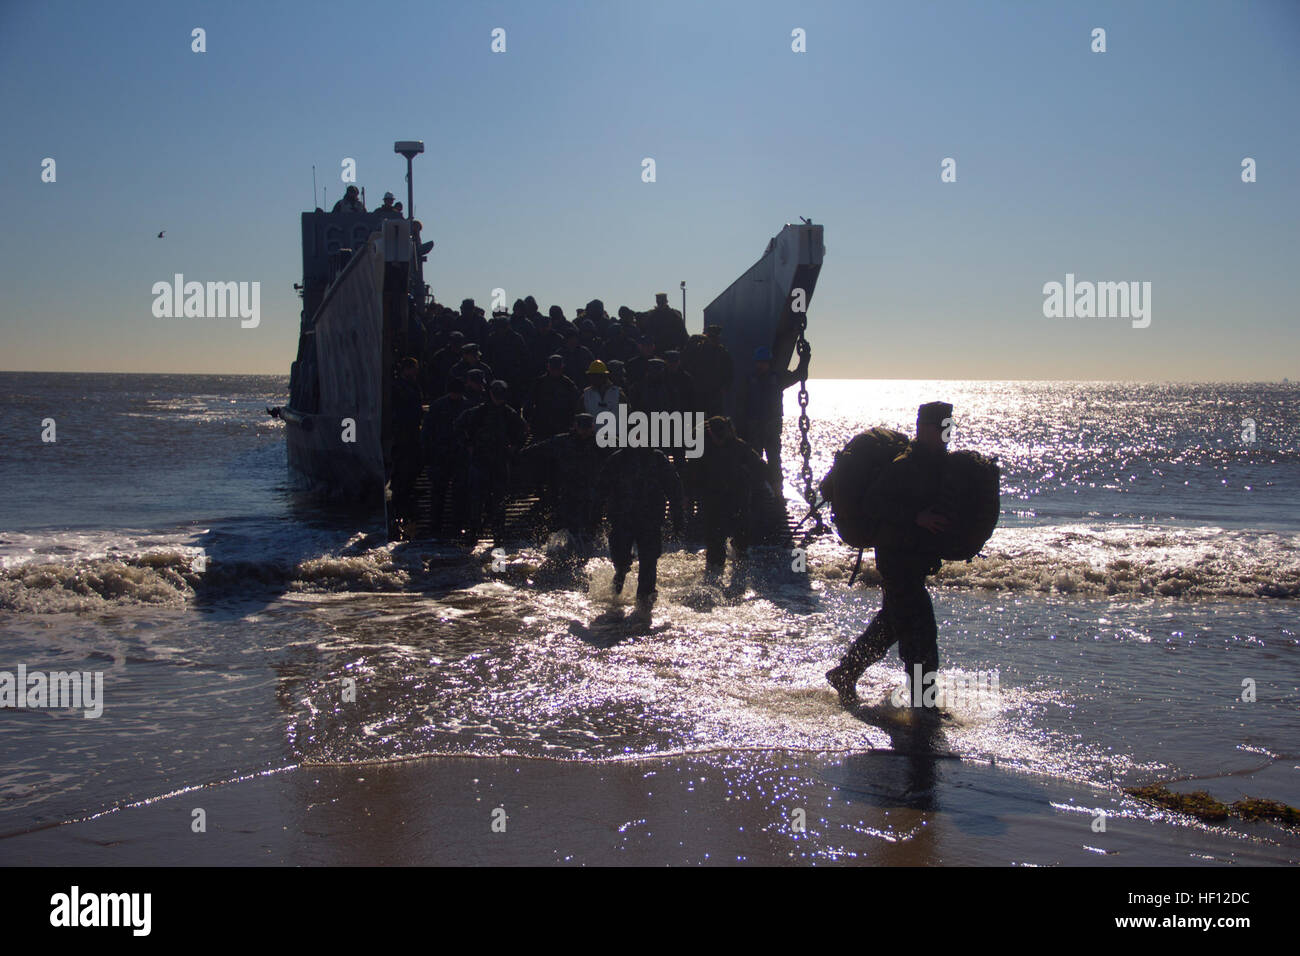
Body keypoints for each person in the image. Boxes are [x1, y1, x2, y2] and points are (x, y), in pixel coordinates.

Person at [825, 402, 954, 709]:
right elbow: (873, 504)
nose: (947, 435)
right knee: (920, 635)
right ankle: (924, 708)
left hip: (912, 560)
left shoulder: (933, 462)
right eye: (942, 428)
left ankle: (845, 673)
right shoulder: (905, 464)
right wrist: (915, 517)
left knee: (893, 625)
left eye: (949, 428)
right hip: (897, 561)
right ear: (924, 428)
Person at [596, 444, 684, 622]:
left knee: (649, 562)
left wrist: (678, 518)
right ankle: (620, 575)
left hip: (650, 519)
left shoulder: (657, 458)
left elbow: (674, 488)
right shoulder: (618, 458)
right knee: (620, 559)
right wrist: (594, 514)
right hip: (622, 518)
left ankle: (644, 606)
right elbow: (601, 487)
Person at [454, 380, 529, 546]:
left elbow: (524, 430)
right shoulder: (478, 412)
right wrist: (468, 445)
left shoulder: (509, 413)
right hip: (480, 461)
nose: (498, 398)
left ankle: (498, 536)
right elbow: (458, 426)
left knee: (499, 502)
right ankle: (473, 534)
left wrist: (515, 448)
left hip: (499, 462)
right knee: (476, 501)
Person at [694, 416, 769, 577]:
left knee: (741, 541)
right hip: (714, 500)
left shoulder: (739, 447)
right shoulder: (704, 448)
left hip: (736, 499)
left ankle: (739, 569)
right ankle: (714, 575)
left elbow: (760, 467)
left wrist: (755, 486)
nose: (719, 438)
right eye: (716, 434)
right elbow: (692, 473)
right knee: (715, 546)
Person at [520, 413, 604, 545]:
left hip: (590, 488)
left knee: (591, 523)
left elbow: (620, 451)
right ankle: (571, 547)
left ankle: (588, 547)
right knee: (570, 524)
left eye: (587, 428)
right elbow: (538, 449)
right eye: (582, 428)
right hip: (568, 488)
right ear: (576, 426)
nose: (584, 432)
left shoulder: (600, 442)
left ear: (592, 427)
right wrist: (519, 455)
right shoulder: (563, 441)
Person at [739, 344, 809, 486]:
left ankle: (777, 493)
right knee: (754, 461)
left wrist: (805, 358)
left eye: (763, 363)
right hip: (755, 427)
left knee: (774, 462)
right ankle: (756, 492)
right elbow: (743, 404)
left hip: (771, 427)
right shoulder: (750, 380)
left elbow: (799, 375)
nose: (761, 365)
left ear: (768, 363)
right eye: (759, 362)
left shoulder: (777, 379)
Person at [421, 376, 472, 536]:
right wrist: (427, 452)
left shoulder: (465, 405)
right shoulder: (440, 406)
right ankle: (436, 525)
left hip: (458, 453)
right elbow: (427, 430)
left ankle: (456, 524)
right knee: (439, 492)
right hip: (441, 454)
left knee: (459, 491)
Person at [389, 357, 425, 533]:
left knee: (413, 467)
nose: (416, 372)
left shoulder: (412, 386)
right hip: (402, 434)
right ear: (406, 369)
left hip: (412, 432)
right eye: (413, 369)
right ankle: (399, 507)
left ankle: (406, 501)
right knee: (401, 470)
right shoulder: (398, 388)